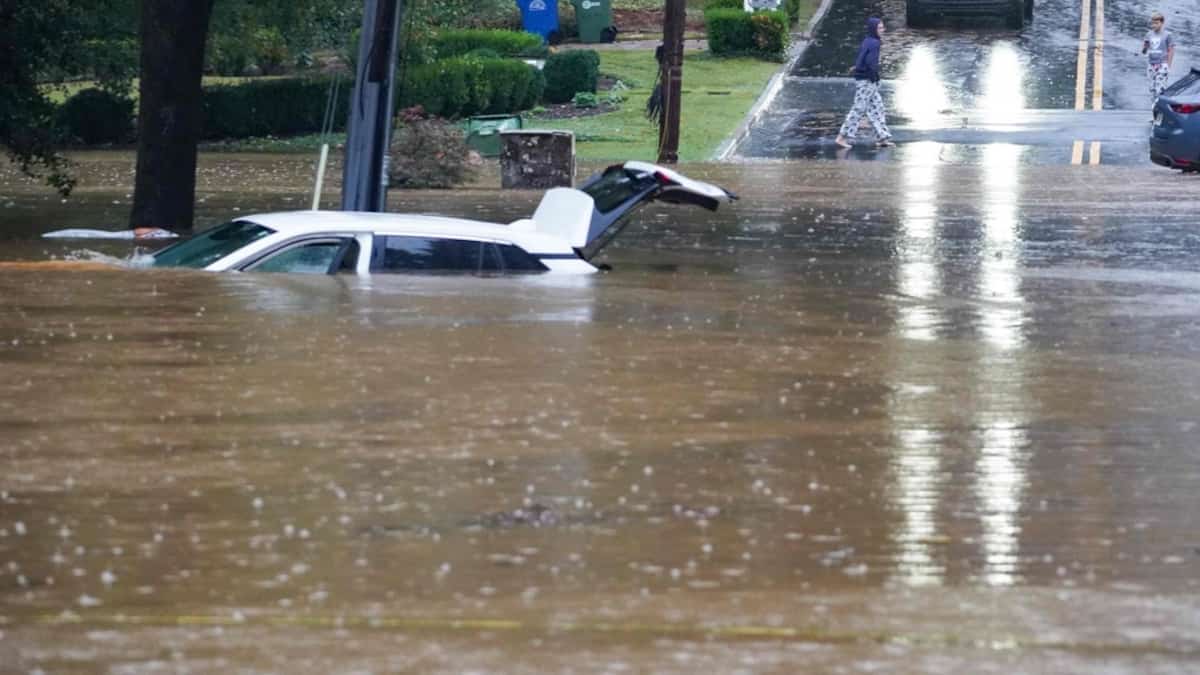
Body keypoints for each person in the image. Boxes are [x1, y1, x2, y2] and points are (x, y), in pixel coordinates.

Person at [835, 17, 893, 149]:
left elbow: (861, 58)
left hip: (865, 79)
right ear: (873, 29)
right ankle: (841, 137)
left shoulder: (868, 40)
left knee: (877, 107)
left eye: (882, 27)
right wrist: (874, 77)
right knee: (859, 108)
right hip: (867, 80)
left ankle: (882, 137)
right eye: (880, 28)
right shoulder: (875, 43)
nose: (882, 30)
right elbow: (870, 63)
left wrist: (856, 67)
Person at [1143, 12, 1174, 112]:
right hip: (1151, 64)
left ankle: (1161, 113)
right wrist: (1144, 47)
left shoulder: (1167, 35)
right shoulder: (1149, 34)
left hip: (1162, 64)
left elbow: (1171, 50)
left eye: (1156, 23)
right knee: (1152, 89)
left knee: (1160, 89)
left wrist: (1168, 65)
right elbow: (1145, 48)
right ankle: (1154, 113)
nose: (1154, 25)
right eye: (1152, 23)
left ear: (1162, 23)